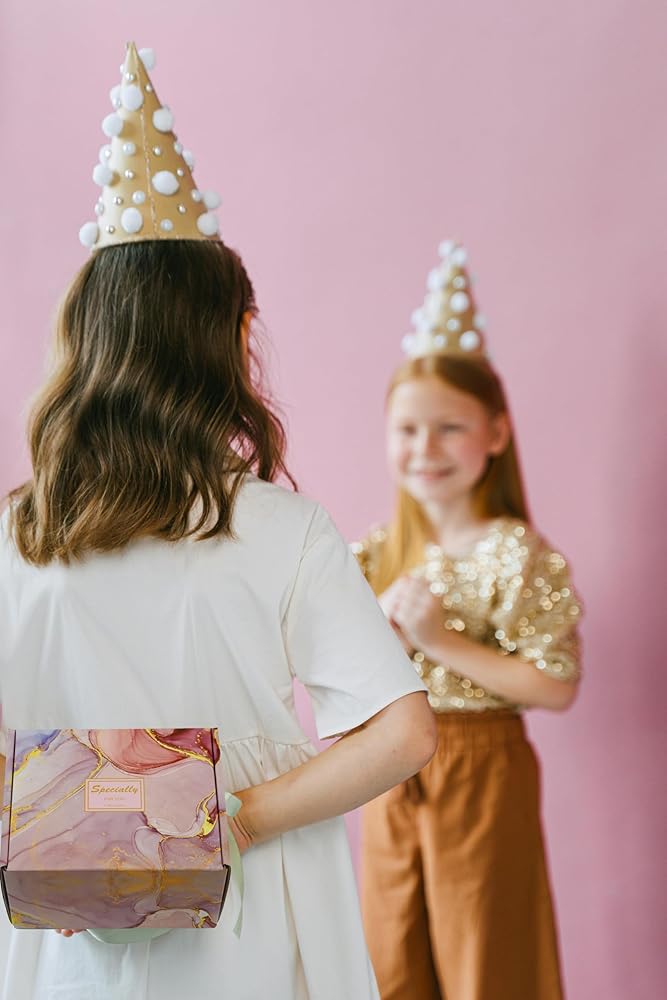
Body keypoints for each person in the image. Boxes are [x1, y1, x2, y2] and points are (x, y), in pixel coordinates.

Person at [0, 42, 437, 1000]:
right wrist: (229, 816)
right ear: (223, 343)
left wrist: (65, 818)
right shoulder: (283, 528)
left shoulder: (17, 537)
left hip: (68, 919)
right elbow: (403, 734)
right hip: (252, 913)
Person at [353, 240, 582, 1000]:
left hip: (481, 773)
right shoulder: (374, 554)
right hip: (387, 770)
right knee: (390, 959)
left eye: (449, 428)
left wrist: (437, 641)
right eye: (407, 430)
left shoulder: (516, 554)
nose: (425, 449)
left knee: (485, 960)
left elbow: (554, 684)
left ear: (496, 434)